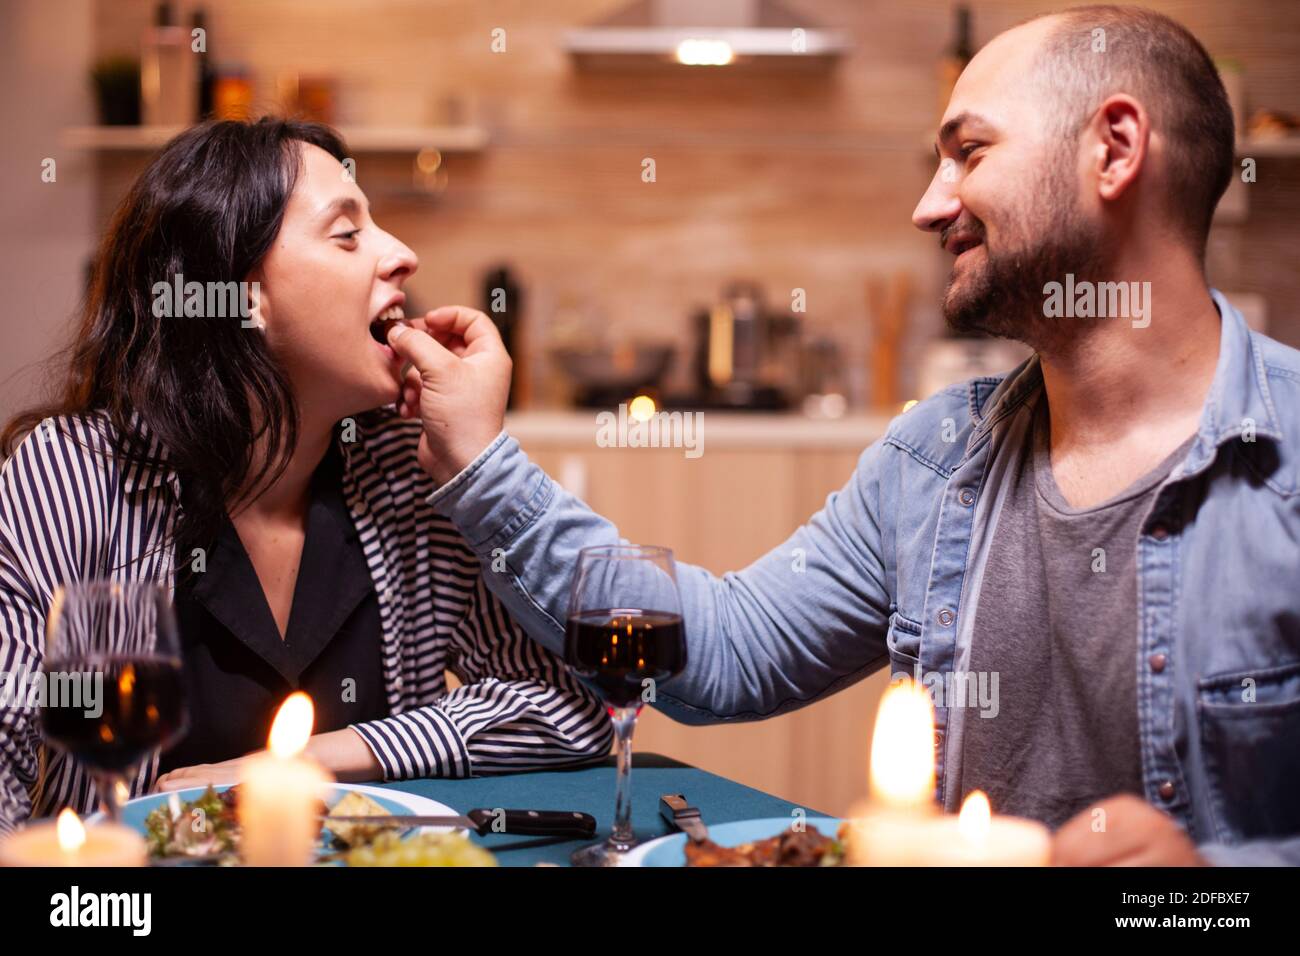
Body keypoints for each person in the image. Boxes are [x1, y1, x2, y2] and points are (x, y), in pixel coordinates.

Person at [384, 7, 1300, 865]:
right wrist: (482, 466)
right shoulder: (934, 455)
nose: (930, 206)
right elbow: (730, 650)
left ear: (1116, 148)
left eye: (968, 153)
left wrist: (1204, 884)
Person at [0, 118, 612, 834]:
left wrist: (311, 761)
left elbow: (567, 706)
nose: (403, 256)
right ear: (241, 295)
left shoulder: (408, 473)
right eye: (347, 235)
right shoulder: (73, 477)